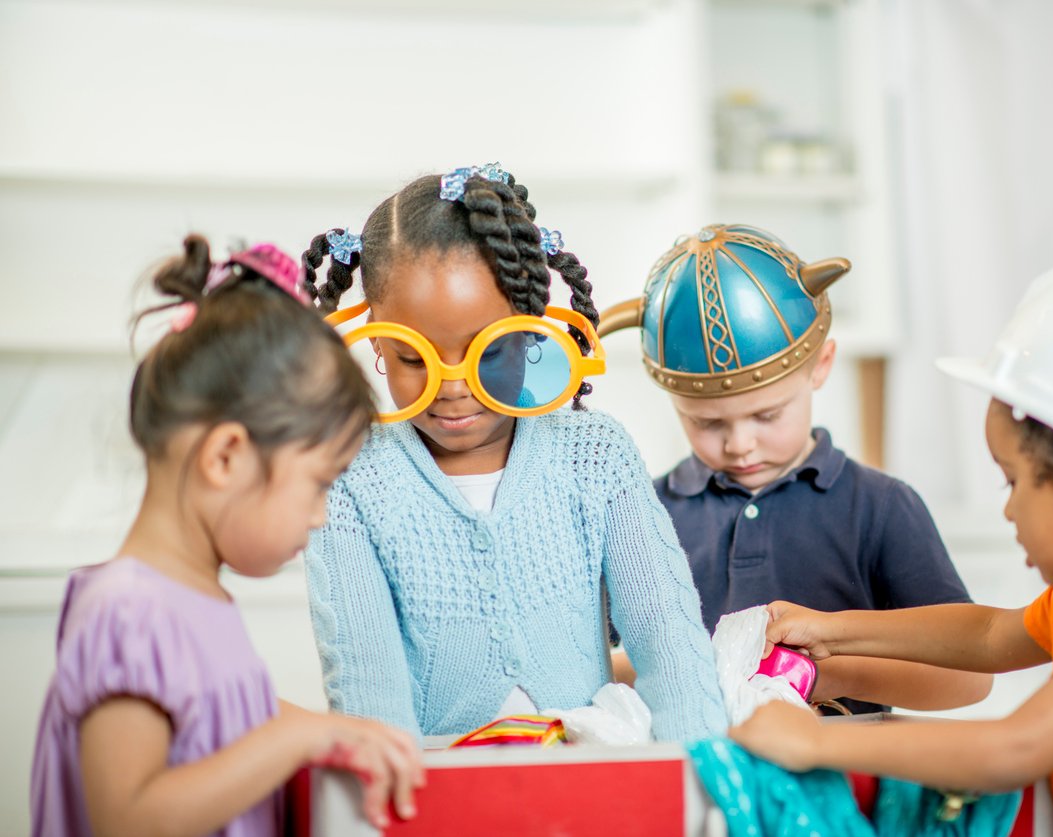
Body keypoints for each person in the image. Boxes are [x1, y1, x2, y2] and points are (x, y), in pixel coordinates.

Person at [730, 253, 1053, 835]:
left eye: (1014, 480)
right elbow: (988, 635)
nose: (1008, 508)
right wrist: (827, 629)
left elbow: (1018, 749)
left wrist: (817, 744)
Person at [301, 163, 725, 743]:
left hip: (591, 785)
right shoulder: (350, 479)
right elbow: (368, 694)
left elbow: (669, 647)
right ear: (376, 339)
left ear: (532, 332)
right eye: (413, 358)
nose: (452, 387)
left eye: (487, 352)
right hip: (437, 801)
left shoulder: (595, 457)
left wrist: (703, 784)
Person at [29, 237, 425, 836]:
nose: (320, 515)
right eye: (317, 484)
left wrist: (343, 733)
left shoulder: (190, 600)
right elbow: (127, 817)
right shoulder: (130, 613)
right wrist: (299, 738)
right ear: (226, 458)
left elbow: (221, 723)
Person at [598, 223, 989, 714]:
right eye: (706, 422)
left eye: (767, 415)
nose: (740, 445)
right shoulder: (642, 513)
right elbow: (586, 664)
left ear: (821, 365)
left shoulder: (881, 506)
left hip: (845, 776)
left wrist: (821, 676)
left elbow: (968, 678)